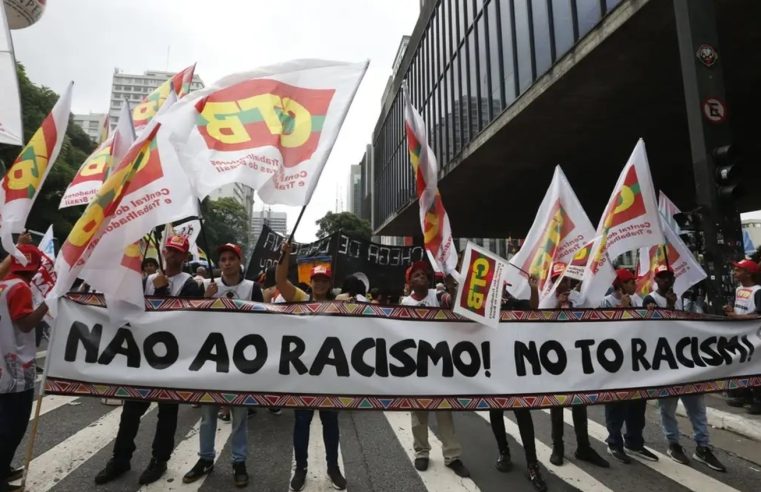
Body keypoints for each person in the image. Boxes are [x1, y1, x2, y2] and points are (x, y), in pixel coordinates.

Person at [95, 235, 203, 486]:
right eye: (169, 251)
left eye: (177, 252)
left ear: (185, 257)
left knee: (167, 414)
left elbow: (182, 318)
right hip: (143, 359)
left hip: (173, 362)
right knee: (130, 411)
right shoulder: (146, 281)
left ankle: (159, 460)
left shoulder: (190, 285)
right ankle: (120, 459)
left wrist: (164, 290)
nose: (172, 256)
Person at [182, 243, 263, 487]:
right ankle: (205, 458)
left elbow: (266, 323)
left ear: (240, 262)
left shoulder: (252, 288)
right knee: (207, 414)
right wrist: (205, 300)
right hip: (211, 361)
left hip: (241, 363)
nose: (226, 262)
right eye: (223, 259)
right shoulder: (207, 287)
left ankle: (239, 461)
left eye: (231, 258)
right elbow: (190, 320)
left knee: (239, 416)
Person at [643, 264, 727, 471]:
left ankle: (702, 447)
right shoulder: (650, 300)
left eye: (669, 277)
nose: (666, 281)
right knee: (668, 408)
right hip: (665, 364)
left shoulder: (683, 299)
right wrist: (670, 309)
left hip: (688, 363)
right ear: (656, 280)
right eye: (662, 277)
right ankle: (673, 443)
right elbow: (656, 330)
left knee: (697, 407)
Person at [276, 242, 346, 491]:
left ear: (329, 284)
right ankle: (301, 468)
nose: (319, 284)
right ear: (311, 282)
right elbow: (280, 279)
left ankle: (333, 467)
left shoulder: (340, 306)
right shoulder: (300, 298)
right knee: (302, 423)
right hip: (303, 375)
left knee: (331, 423)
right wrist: (286, 255)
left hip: (328, 375)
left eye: (323, 281)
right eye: (316, 280)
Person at [400, 260, 470, 478]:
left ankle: (452, 456)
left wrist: (452, 285)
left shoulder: (438, 296)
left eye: (425, 274)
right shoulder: (404, 304)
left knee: (444, 412)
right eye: (417, 274)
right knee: (418, 414)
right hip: (416, 366)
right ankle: (422, 452)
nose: (421, 276)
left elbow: (455, 303)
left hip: (439, 364)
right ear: (410, 280)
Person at [547, 263, 610, 468]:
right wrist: (557, 307)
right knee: (557, 405)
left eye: (564, 279)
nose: (562, 284)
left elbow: (589, 321)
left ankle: (583, 446)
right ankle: (558, 447)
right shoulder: (546, 300)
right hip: (554, 361)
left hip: (576, 358)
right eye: (557, 279)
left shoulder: (578, 299)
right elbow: (538, 328)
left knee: (579, 403)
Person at [1, 244, 50, 492]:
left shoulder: (3, 282)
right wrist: (46, 305)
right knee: (13, 424)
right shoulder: (20, 287)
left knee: (5, 422)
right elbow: (25, 324)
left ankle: (3, 466)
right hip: (16, 369)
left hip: (4, 365)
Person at [490, 276, 547, 491]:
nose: (501, 291)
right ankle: (504, 452)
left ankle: (532, 465)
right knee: (496, 414)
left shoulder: (514, 302)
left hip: (515, 371)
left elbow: (533, 307)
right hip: (494, 370)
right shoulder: (486, 306)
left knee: (523, 415)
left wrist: (534, 288)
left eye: (503, 288)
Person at [599, 269, 658, 464]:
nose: (634, 286)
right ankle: (614, 442)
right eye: (630, 283)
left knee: (637, 404)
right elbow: (604, 333)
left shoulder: (638, 300)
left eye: (634, 282)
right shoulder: (605, 302)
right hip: (615, 364)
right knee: (616, 404)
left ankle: (634, 442)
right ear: (620, 285)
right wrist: (622, 312)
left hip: (636, 362)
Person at [723, 259, 761, 414]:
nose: (734, 272)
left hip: (756, 337)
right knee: (743, 365)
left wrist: (737, 317)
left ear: (748, 273)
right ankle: (744, 394)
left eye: (738, 270)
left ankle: (758, 400)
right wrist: (732, 310)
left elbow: (758, 314)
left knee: (756, 367)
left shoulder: (758, 291)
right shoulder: (739, 289)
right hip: (741, 335)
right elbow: (740, 309)